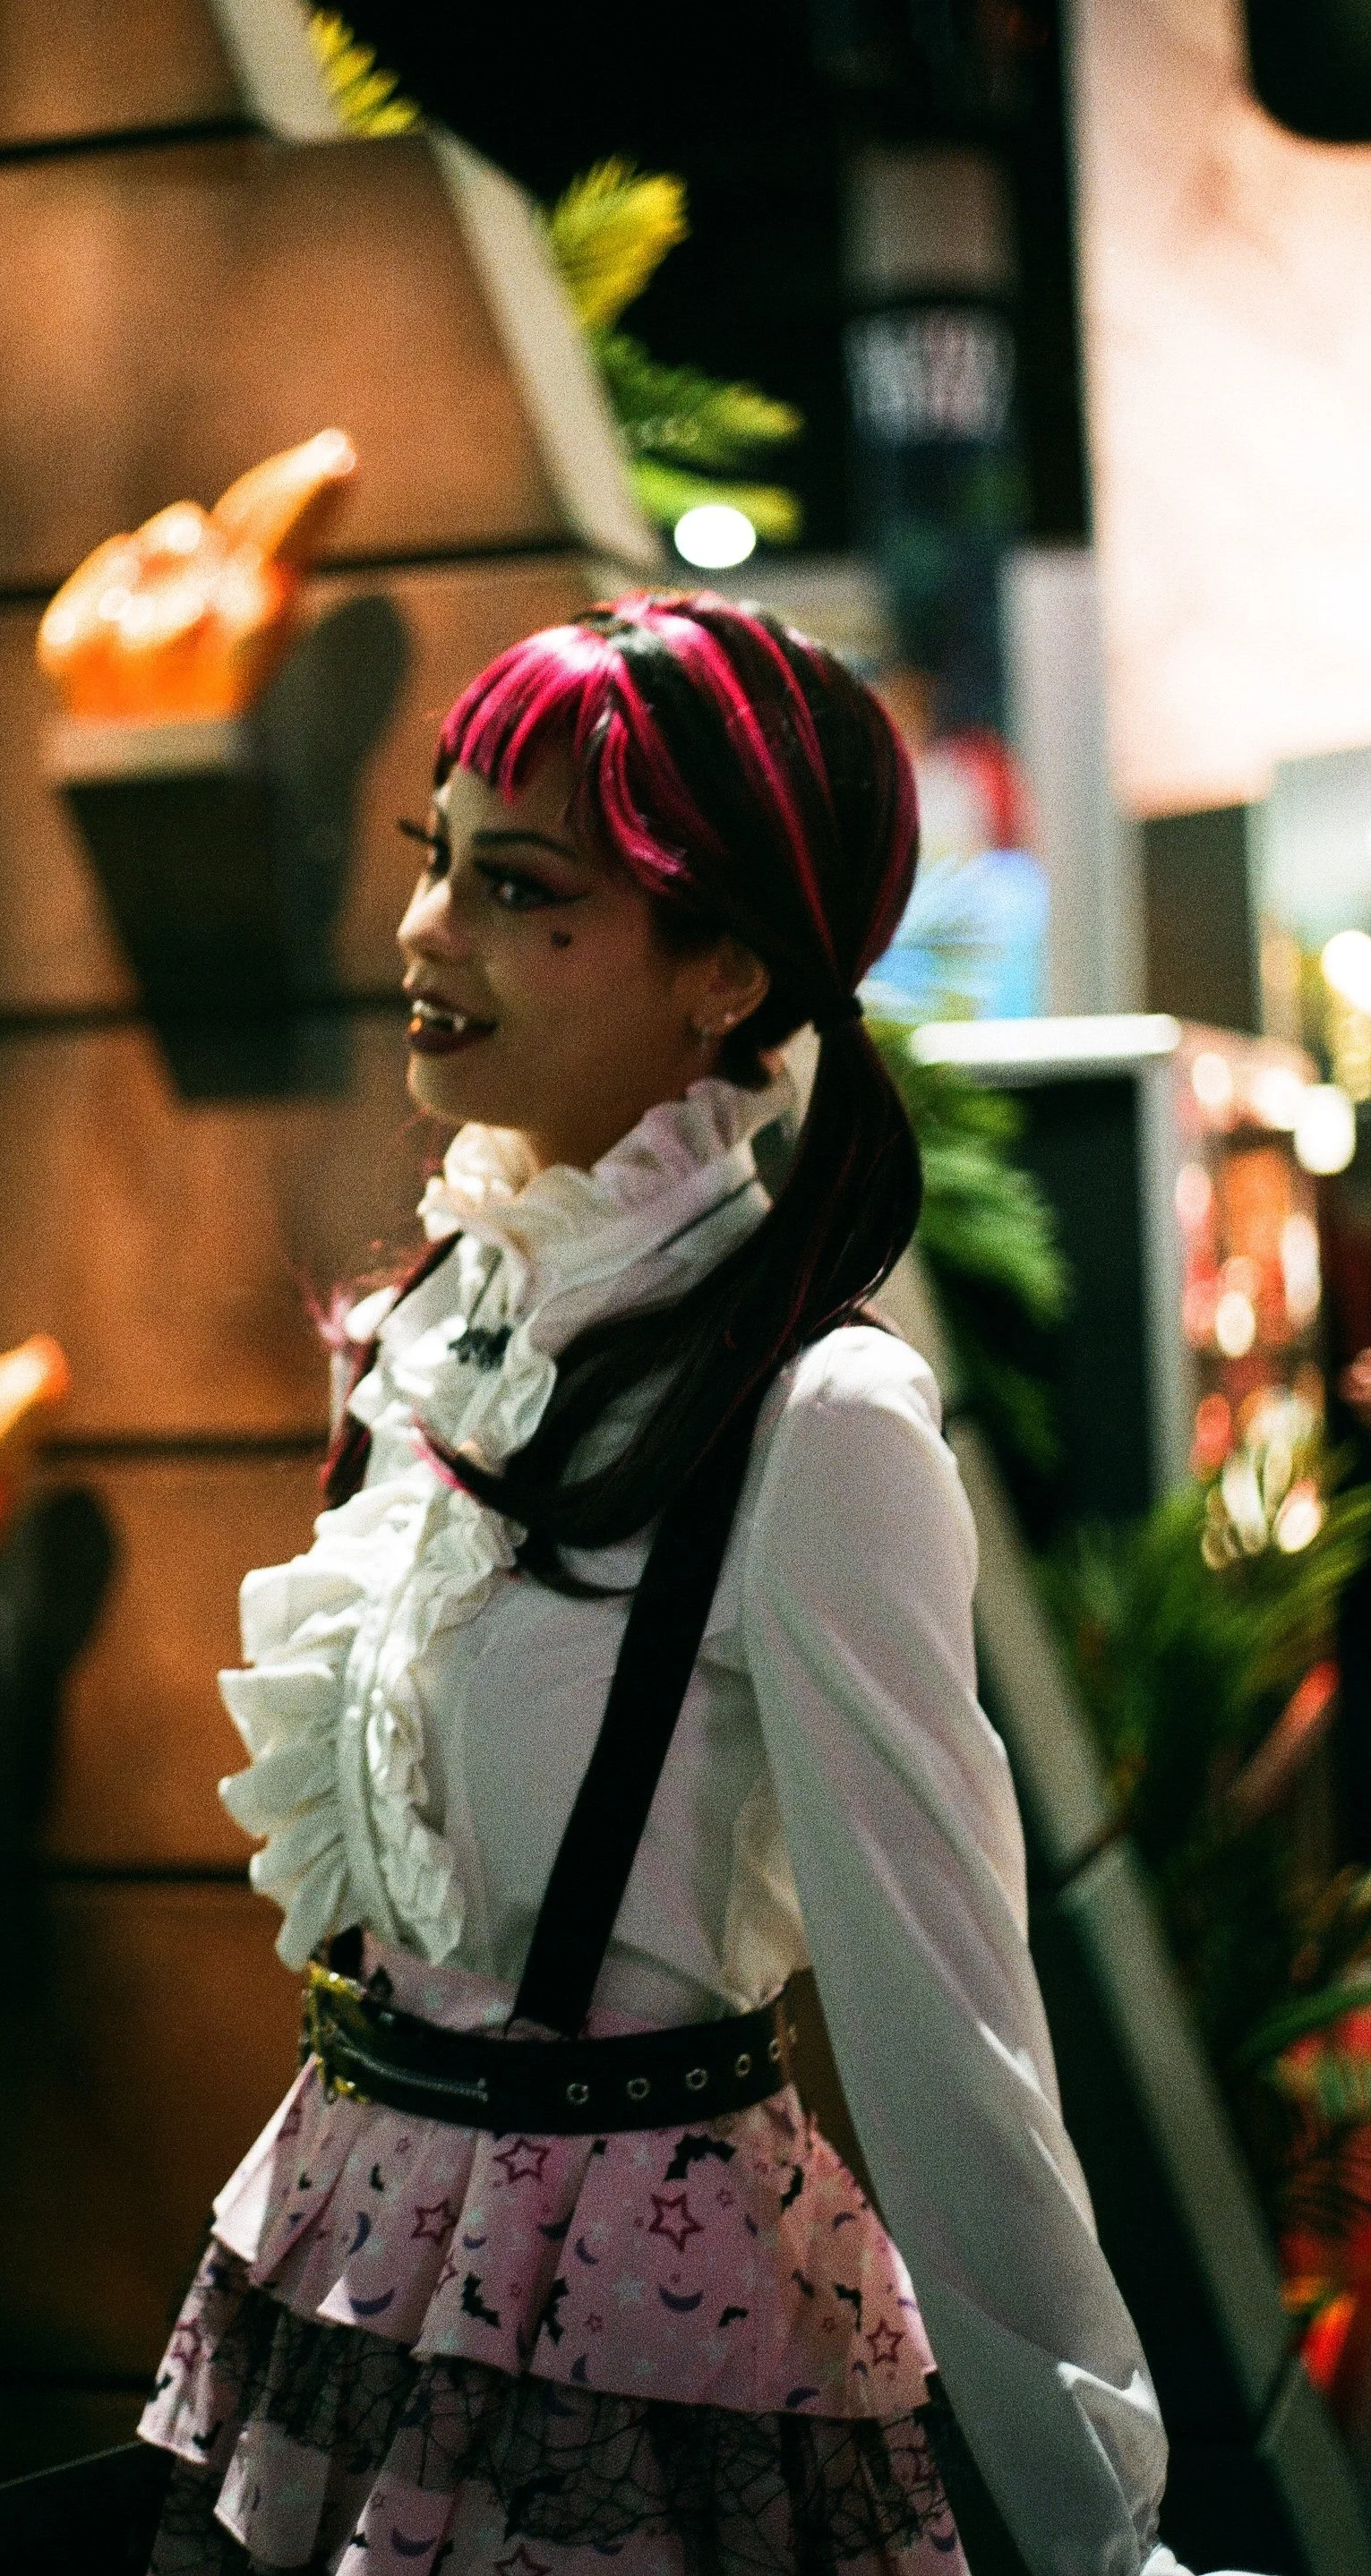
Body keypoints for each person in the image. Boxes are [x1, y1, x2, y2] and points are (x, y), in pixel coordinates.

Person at [135, 595, 1247, 2576]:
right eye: (435, 863)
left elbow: (941, 2019)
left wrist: (1101, 2533)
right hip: (340, 2270)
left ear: (724, 967)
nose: (426, 934)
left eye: (517, 883)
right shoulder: (432, 1324)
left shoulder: (818, 1419)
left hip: (630, 2331)